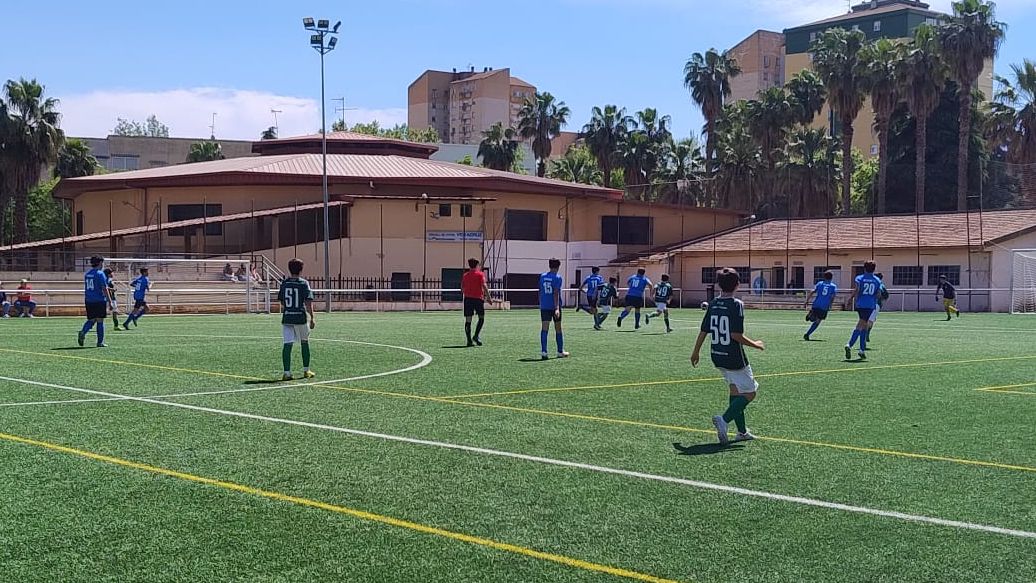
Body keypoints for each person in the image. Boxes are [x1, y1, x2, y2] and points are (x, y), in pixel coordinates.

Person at [691, 268, 765, 444]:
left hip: (717, 354)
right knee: (751, 392)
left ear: (718, 285)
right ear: (738, 284)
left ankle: (742, 432)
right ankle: (724, 420)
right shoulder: (736, 304)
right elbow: (735, 335)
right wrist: (756, 344)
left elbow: (704, 330)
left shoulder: (713, 303)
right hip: (734, 357)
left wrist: (696, 351)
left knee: (735, 390)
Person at [278, 258, 316, 381]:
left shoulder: (284, 283)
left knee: (287, 344)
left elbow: (282, 301)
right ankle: (306, 370)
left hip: (287, 317)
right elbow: (308, 302)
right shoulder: (304, 283)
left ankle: (287, 373)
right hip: (300, 317)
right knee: (304, 342)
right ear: (301, 270)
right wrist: (312, 317)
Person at [845, 261, 882, 361]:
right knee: (861, 325)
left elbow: (857, 290)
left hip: (860, 304)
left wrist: (850, 299)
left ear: (864, 268)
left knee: (864, 326)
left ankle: (862, 350)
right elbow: (878, 294)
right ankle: (849, 344)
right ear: (874, 269)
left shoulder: (859, 278)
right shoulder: (877, 280)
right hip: (870, 305)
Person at [538, 258, 569, 360]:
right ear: (558, 267)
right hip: (554, 306)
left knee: (544, 328)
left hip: (544, 306)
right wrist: (557, 308)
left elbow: (540, 291)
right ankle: (560, 351)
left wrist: (541, 303)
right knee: (558, 328)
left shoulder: (542, 276)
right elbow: (556, 293)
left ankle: (544, 352)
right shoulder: (557, 277)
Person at [78, 256, 112, 347]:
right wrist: (110, 301)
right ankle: (100, 342)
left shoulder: (87, 274)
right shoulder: (100, 274)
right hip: (99, 300)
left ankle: (83, 331)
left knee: (92, 319)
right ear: (100, 263)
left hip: (89, 300)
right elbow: (104, 289)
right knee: (100, 320)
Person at [461, 258, 493, 347]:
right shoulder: (480, 274)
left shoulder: (465, 275)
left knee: (468, 320)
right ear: (476, 265)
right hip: (478, 299)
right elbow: (484, 286)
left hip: (468, 299)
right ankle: (476, 335)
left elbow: (462, 288)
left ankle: (469, 340)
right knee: (481, 318)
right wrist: (489, 298)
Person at [803, 270, 838, 341]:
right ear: (832, 278)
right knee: (818, 321)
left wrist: (807, 300)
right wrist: (830, 305)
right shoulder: (833, 286)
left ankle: (810, 314)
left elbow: (812, 291)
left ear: (824, 277)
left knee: (814, 318)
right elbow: (832, 297)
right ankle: (807, 334)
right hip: (824, 306)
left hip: (816, 304)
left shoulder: (820, 284)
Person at [866, 272, 889, 342]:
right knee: (870, 320)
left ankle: (865, 334)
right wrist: (881, 299)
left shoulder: (872, 283)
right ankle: (866, 334)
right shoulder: (881, 285)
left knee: (867, 320)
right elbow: (886, 295)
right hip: (876, 305)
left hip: (867, 304)